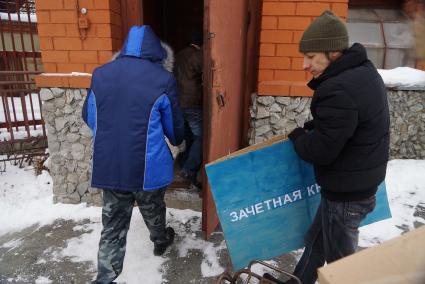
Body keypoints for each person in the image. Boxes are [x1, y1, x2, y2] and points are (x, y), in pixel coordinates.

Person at [266, 10, 390, 284]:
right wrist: (316, 127)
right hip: (352, 185)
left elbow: (321, 150)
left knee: (341, 267)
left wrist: (299, 137)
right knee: (317, 240)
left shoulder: (337, 88)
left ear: (333, 52)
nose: (304, 65)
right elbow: (347, 122)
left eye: (311, 57)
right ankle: (299, 281)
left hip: (347, 195)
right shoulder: (363, 72)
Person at [82, 25, 184, 284]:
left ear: (124, 48)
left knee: (113, 224)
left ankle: (105, 277)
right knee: (153, 207)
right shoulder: (163, 79)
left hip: (110, 165)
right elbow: (173, 128)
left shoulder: (100, 74)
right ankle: (160, 241)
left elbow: (89, 116)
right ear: (156, 52)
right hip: (147, 168)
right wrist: (177, 140)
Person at [174, 31, 203, 190]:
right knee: (201, 137)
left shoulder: (178, 55)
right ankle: (189, 169)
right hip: (192, 103)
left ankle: (184, 163)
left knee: (187, 135)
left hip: (177, 102)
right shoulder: (198, 56)